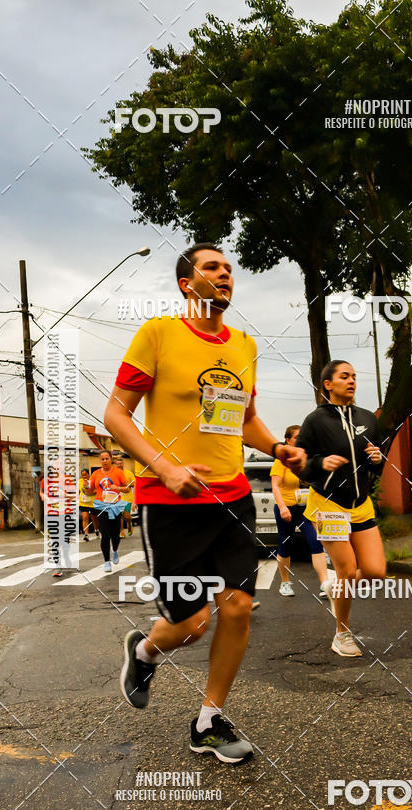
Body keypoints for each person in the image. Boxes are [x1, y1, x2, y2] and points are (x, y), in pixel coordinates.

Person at [105, 242, 305, 765]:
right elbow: (116, 414)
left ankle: (208, 721)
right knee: (191, 626)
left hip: (232, 499)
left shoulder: (243, 345)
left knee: (237, 607)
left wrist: (277, 448)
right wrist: (166, 468)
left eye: (229, 269)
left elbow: (244, 420)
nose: (224, 274)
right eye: (212, 267)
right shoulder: (158, 334)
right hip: (170, 501)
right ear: (186, 284)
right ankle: (144, 651)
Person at [296, 360, 386, 657]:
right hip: (328, 504)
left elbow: (375, 460)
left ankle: (338, 587)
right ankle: (342, 634)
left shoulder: (367, 418)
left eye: (354, 376)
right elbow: (300, 465)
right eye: (344, 376)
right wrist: (320, 463)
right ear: (328, 384)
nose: (352, 381)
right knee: (346, 570)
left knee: (375, 571)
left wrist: (377, 459)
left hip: (360, 504)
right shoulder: (315, 420)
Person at [270, 424, 328, 597]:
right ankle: (285, 583)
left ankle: (324, 584)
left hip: (305, 509)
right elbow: (275, 486)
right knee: (285, 546)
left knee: (316, 543)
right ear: (288, 440)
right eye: (296, 437)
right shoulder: (281, 461)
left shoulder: (306, 459)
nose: (300, 440)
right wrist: (282, 507)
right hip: (286, 509)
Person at [86, 450, 127, 572]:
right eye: (102, 459)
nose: (104, 461)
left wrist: (117, 487)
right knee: (105, 534)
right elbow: (89, 491)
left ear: (111, 459)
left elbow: (127, 489)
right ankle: (106, 561)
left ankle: (115, 550)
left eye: (106, 459)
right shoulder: (95, 474)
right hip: (101, 506)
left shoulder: (118, 472)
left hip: (115, 506)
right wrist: (86, 486)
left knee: (115, 534)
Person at [114, 458, 135, 537]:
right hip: (117, 497)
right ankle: (121, 531)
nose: (119, 465)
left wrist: (127, 485)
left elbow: (134, 483)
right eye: (117, 464)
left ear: (123, 464)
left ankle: (129, 523)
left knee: (126, 516)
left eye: (120, 463)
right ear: (115, 465)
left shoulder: (128, 473)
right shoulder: (114, 474)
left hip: (127, 497)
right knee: (120, 515)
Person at [79, 468, 99, 541]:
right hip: (83, 503)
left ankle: (96, 530)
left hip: (92, 503)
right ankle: (86, 534)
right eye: (82, 475)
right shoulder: (80, 482)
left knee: (94, 518)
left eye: (85, 475)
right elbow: (85, 492)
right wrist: (90, 490)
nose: (84, 476)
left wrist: (92, 491)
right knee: (85, 517)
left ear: (89, 474)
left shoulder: (93, 481)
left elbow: (96, 490)